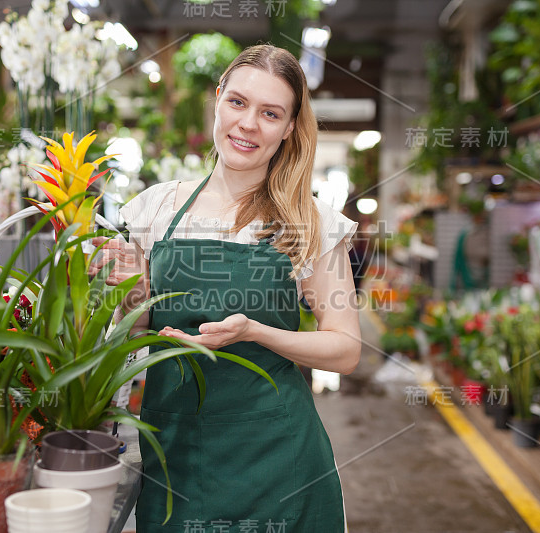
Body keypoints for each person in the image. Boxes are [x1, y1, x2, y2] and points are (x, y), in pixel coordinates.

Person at [93, 44, 361, 532]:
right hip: (174, 456)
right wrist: (135, 289)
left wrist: (256, 333)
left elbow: (344, 350)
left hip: (279, 465)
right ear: (217, 100)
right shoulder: (156, 209)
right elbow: (139, 331)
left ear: (288, 128)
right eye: (237, 102)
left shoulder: (309, 222)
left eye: (270, 113)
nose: (248, 124)